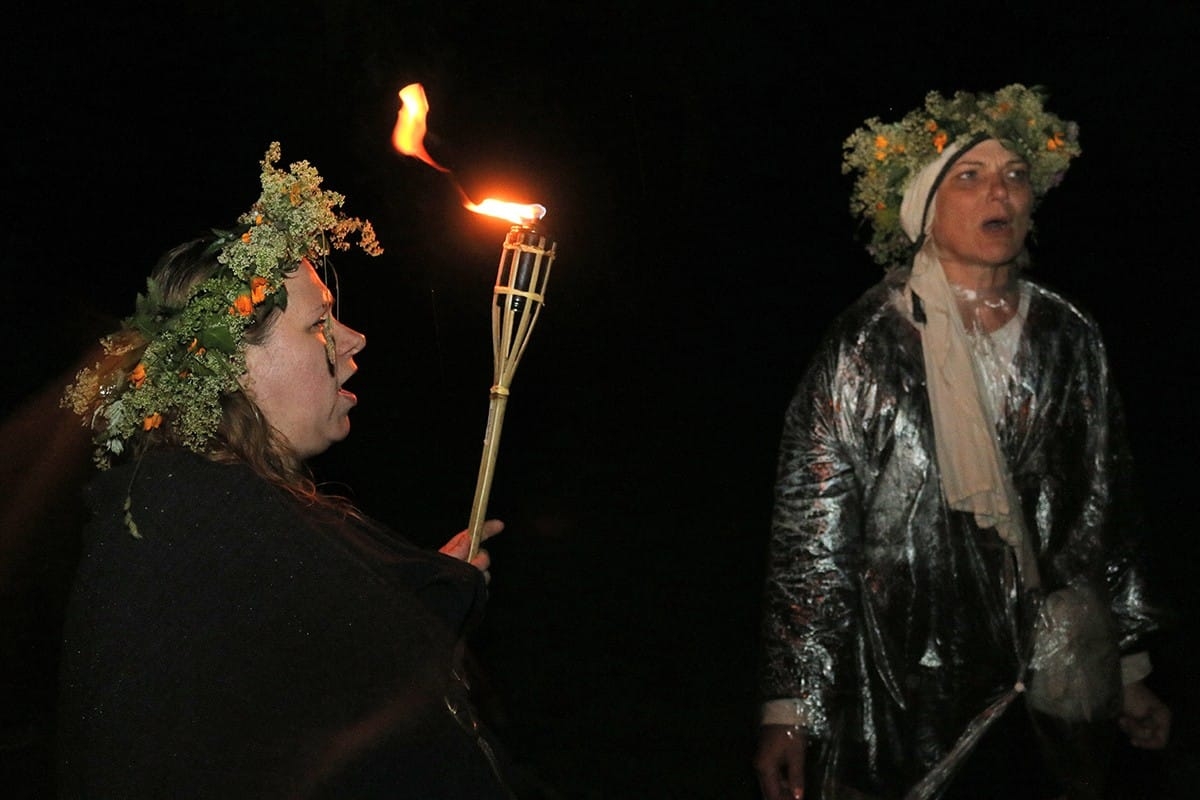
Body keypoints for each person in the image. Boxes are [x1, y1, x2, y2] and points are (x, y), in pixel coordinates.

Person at [56, 143, 515, 798]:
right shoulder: (199, 520)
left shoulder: (222, 512)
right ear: (236, 364)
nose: (352, 340)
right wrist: (436, 596)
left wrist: (431, 587)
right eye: (319, 323)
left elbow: (318, 683)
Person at [754, 86, 1171, 800]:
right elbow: (813, 537)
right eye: (969, 177)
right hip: (904, 687)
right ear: (922, 207)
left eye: (1014, 174)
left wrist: (1126, 669)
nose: (999, 193)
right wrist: (794, 706)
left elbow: (1104, 509)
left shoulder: (1069, 337)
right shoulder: (867, 347)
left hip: (1046, 691)